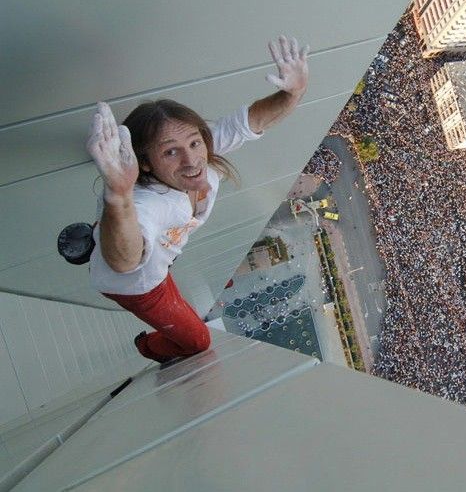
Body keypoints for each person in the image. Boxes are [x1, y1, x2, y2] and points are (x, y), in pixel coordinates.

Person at [86, 35, 309, 363]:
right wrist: (119, 197)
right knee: (198, 343)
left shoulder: (202, 151)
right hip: (140, 284)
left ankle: (101, 232)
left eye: (194, 143)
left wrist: (294, 92)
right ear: (145, 163)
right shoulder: (150, 201)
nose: (191, 161)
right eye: (170, 152)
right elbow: (124, 263)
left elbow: (256, 119)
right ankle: (148, 346)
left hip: (159, 258)